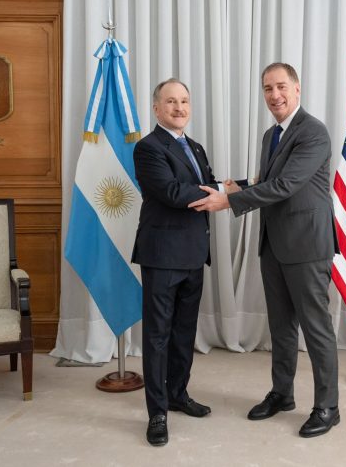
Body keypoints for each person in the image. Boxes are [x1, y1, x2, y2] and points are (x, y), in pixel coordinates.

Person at [189, 63, 340, 438]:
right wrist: (237, 186)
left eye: (281, 87)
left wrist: (229, 202)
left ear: (297, 88)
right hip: (273, 243)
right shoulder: (270, 135)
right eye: (268, 89)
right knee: (281, 327)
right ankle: (282, 394)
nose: (275, 95)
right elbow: (267, 181)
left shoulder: (313, 131)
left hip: (307, 244)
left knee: (316, 328)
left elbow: (286, 185)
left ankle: (328, 407)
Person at [131, 78, 220, 446]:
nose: (179, 108)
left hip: (194, 253)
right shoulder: (147, 148)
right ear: (157, 108)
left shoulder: (195, 147)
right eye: (171, 101)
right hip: (163, 255)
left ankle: (178, 394)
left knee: (184, 332)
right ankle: (157, 413)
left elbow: (210, 184)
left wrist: (239, 186)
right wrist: (219, 193)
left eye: (184, 101)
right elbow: (171, 192)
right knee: (158, 336)